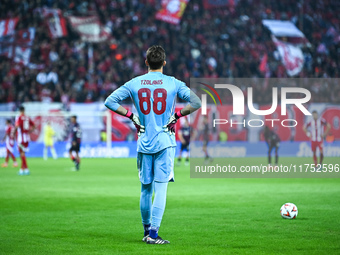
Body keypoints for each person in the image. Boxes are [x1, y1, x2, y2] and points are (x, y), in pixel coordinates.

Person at [104, 45, 201, 245]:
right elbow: (197, 102)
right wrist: (177, 115)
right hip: (165, 141)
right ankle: (154, 235)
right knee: (161, 188)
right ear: (164, 63)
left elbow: (110, 101)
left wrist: (131, 116)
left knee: (145, 189)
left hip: (144, 141)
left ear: (146, 62)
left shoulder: (134, 83)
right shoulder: (173, 83)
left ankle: (146, 231)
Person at [13, 106, 35, 175]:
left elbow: (17, 126)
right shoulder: (27, 117)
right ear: (24, 110)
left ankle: (26, 169)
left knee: (22, 154)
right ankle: (23, 169)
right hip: (26, 138)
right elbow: (34, 126)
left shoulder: (19, 117)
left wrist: (14, 133)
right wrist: (29, 131)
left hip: (20, 138)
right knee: (23, 154)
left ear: (20, 111)